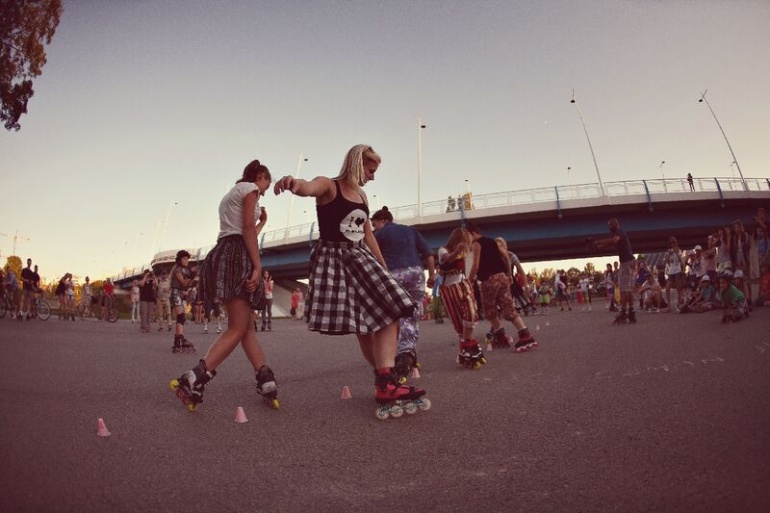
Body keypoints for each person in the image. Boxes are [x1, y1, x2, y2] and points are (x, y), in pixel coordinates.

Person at [273, 144, 428, 416]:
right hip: (336, 260)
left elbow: (368, 234)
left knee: (392, 309)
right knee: (364, 327)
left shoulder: (362, 196)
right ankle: (385, 380)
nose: (372, 176)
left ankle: (385, 380)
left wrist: (383, 267)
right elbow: (307, 186)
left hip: (359, 256)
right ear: (357, 164)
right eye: (371, 170)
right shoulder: (329, 186)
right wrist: (292, 184)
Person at [171, 159, 277, 410]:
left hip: (225, 251)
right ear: (260, 177)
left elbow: (244, 228)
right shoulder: (250, 189)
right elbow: (247, 229)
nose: (263, 192)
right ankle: (195, 377)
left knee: (245, 326)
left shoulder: (232, 193)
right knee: (238, 326)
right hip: (236, 256)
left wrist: (263, 222)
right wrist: (257, 265)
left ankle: (265, 378)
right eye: (265, 186)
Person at [371, 205, 436, 382]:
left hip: (394, 274)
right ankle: (407, 352)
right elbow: (429, 254)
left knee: (391, 318)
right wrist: (432, 275)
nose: (373, 227)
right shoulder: (410, 230)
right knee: (410, 315)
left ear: (383, 220)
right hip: (416, 272)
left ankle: (394, 355)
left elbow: (371, 256)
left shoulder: (380, 234)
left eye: (374, 223)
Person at [466, 222, 537, 352]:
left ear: (472, 233)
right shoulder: (492, 242)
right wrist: (509, 273)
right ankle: (525, 334)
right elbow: (505, 256)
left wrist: (468, 281)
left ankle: (500, 335)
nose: (468, 242)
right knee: (508, 307)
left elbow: (475, 265)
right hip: (502, 278)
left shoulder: (477, 244)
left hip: (489, 280)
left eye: (467, 237)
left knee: (489, 310)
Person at [437, 226, 486, 369]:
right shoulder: (442, 250)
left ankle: (466, 345)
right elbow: (447, 259)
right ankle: (466, 347)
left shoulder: (463, 253)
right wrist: (456, 252)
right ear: (458, 240)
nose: (467, 246)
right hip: (449, 290)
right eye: (465, 242)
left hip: (463, 285)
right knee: (459, 322)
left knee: (471, 311)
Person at [589, 218, 637, 324]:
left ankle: (624, 312)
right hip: (629, 261)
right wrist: (598, 248)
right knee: (627, 289)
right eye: (608, 225)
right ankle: (631, 311)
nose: (609, 227)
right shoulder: (617, 234)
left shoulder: (619, 232)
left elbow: (614, 240)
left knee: (624, 289)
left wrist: (598, 241)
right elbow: (610, 244)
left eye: (610, 225)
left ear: (616, 224)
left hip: (626, 262)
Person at [170, 250, 198, 353]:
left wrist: (193, 277)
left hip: (182, 294)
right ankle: (181, 337)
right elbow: (183, 282)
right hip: (176, 293)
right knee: (181, 316)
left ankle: (177, 339)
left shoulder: (186, 270)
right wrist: (192, 276)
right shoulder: (177, 270)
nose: (186, 261)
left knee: (182, 317)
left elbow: (188, 284)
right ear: (179, 260)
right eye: (184, 259)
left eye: (187, 259)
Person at [662, 236, 687, 312]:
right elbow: (665, 262)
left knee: (678, 288)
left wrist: (675, 252)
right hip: (671, 271)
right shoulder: (668, 251)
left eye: (673, 242)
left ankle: (678, 305)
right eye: (670, 243)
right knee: (667, 288)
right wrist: (668, 255)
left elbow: (681, 260)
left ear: (675, 242)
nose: (672, 244)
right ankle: (668, 306)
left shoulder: (678, 250)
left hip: (677, 271)